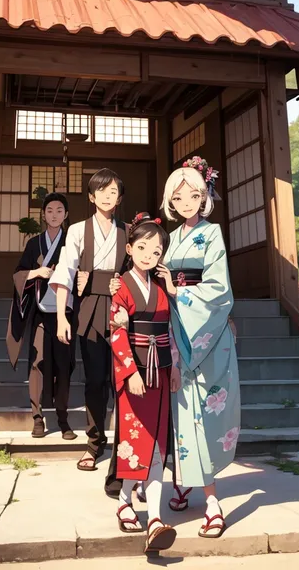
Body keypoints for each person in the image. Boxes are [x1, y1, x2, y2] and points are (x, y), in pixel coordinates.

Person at [157, 156, 241, 539]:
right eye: (178, 197)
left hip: (205, 333)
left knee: (203, 415)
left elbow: (219, 288)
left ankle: (212, 502)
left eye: (194, 194)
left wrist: (180, 293)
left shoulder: (213, 233)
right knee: (180, 410)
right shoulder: (170, 238)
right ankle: (184, 483)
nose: (186, 202)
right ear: (170, 202)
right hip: (176, 329)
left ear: (204, 196)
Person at [50, 168, 128, 482]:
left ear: (120, 198)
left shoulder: (129, 231)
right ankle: (95, 443)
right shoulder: (79, 230)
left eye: (114, 191)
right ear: (92, 196)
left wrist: (116, 282)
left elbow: (137, 269)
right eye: (103, 191)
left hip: (124, 311)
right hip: (91, 312)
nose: (109, 196)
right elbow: (66, 272)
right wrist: (60, 317)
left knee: (123, 379)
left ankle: (128, 442)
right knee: (96, 379)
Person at [110, 212, 180, 553]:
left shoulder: (161, 290)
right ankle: (124, 498)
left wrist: (176, 367)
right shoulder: (121, 285)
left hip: (161, 371)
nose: (149, 256)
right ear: (130, 248)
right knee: (134, 440)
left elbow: (169, 331)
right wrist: (130, 371)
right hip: (135, 372)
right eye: (143, 248)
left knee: (157, 445)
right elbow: (117, 331)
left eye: (156, 251)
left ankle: (154, 517)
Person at [6, 192, 77, 440]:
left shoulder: (73, 241)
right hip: (39, 313)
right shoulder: (33, 244)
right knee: (37, 363)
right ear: (44, 214)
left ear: (66, 215)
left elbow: (83, 274)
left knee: (63, 365)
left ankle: (63, 418)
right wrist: (37, 272)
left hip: (65, 313)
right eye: (50, 211)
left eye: (59, 210)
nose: (54, 215)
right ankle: (37, 417)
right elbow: (18, 275)